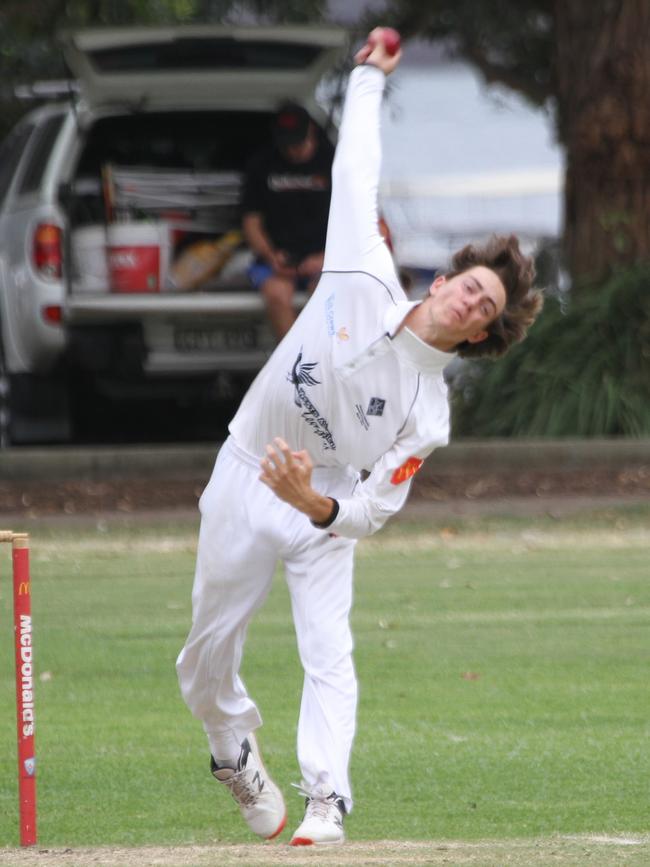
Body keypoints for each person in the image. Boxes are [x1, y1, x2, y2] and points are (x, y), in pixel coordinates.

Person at [176, 28, 543, 847]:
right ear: (445, 279)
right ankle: (231, 748)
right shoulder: (360, 266)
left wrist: (318, 503)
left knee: (328, 652)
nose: (472, 306)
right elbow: (356, 169)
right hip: (247, 465)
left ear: (481, 339)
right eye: (473, 289)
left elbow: (375, 507)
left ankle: (325, 799)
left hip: (322, 502)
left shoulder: (429, 412)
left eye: (486, 313)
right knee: (201, 664)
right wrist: (369, 79)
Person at [241, 101, 334, 340]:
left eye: (298, 143)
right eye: (287, 144)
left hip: (327, 258)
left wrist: (325, 258)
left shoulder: (334, 162)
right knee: (276, 292)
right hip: (277, 259)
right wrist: (270, 255)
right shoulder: (262, 165)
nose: (293, 150)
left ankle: (325, 360)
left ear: (311, 131)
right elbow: (251, 221)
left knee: (327, 292)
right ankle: (298, 364)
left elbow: (355, 221)